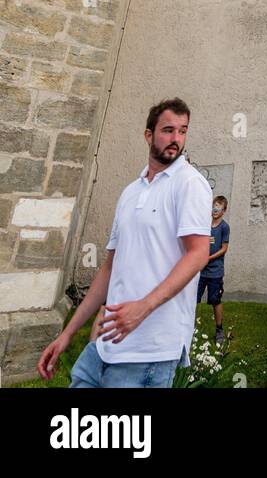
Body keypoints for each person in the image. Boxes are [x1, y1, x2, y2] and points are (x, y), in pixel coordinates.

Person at [37, 97, 212, 388]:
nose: (176, 139)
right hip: (103, 345)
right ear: (148, 135)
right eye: (168, 130)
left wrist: (144, 307)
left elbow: (198, 254)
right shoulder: (130, 192)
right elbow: (109, 268)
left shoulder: (190, 183)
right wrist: (67, 334)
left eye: (182, 131)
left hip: (149, 352)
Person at [197, 195, 230, 347]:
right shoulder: (204, 224)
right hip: (200, 270)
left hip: (215, 272)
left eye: (219, 208)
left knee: (215, 300)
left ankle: (219, 330)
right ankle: (188, 327)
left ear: (223, 211)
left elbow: (224, 249)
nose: (215, 210)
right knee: (192, 300)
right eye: (214, 206)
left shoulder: (224, 227)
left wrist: (209, 258)